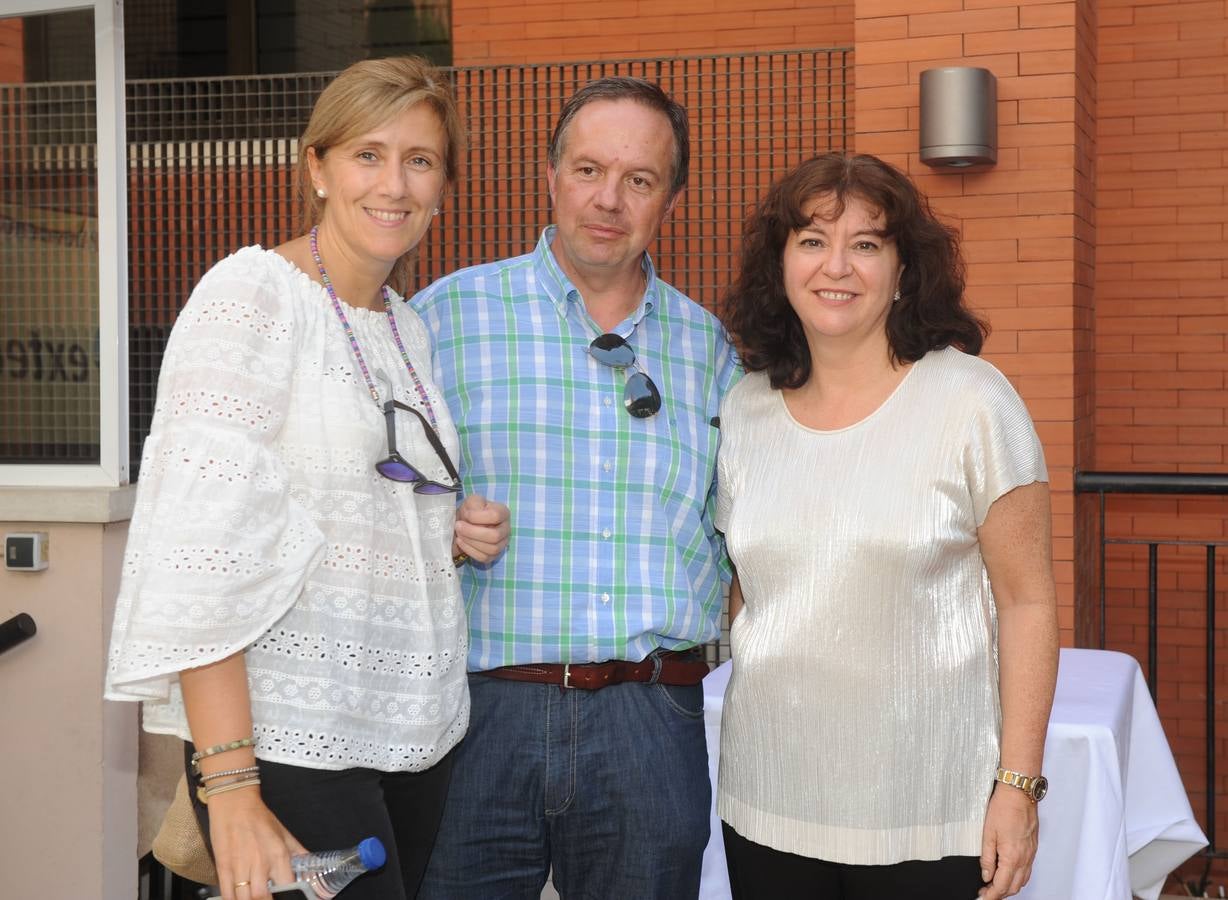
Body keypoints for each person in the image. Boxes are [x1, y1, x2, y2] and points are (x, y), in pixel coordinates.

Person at [105, 57, 509, 900]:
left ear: (443, 186)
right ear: (316, 167)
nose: (394, 184)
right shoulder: (252, 296)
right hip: (291, 741)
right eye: (368, 154)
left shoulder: (405, 327)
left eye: (420, 160)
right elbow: (201, 552)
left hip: (414, 736)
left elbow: (341, 508)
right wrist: (231, 785)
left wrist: (446, 536)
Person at [411, 76, 740, 899]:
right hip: (475, 715)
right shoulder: (443, 319)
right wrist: (435, 529)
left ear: (671, 200)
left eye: (640, 179)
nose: (608, 199)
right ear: (551, 175)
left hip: (650, 722)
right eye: (589, 170)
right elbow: (365, 496)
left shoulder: (710, 352)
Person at [714, 153, 1059, 900]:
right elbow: (752, 590)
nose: (836, 265)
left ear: (903, 270)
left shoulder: (973, 402)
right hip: (768, 797)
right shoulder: (744, 410)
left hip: (930, 810)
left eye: (866, 244)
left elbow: (1028, 603)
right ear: (780, 265)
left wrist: (1019, 785)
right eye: (812, 240)